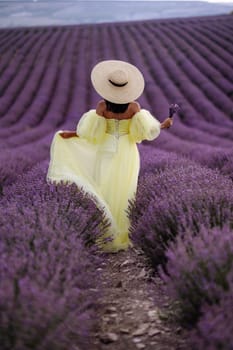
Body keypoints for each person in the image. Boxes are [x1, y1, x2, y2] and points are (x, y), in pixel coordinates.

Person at [47, 60, 173, 252]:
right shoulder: (133, 108)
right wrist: (165, 123)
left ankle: (104, 233)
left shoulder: (102, 106)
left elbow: (91, 134)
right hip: (127, 151)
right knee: (125, 191)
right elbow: (145, 132)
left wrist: (68, 135)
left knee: (103, 188)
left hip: (106, 150)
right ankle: (121, 234)